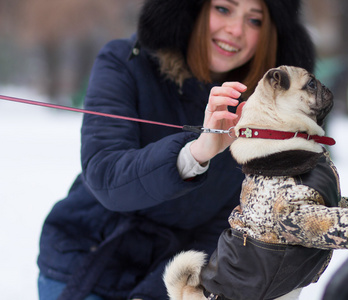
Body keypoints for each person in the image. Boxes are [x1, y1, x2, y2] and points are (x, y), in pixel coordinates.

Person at [37, 0, 315, 299]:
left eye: (255, 20)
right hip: (89, 260)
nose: (235, 30)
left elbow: (232, 226)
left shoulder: (267, 114)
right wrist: (195, 154)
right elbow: (107, 178)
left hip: (177, 276)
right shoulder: (123, 61)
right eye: (223, 9)